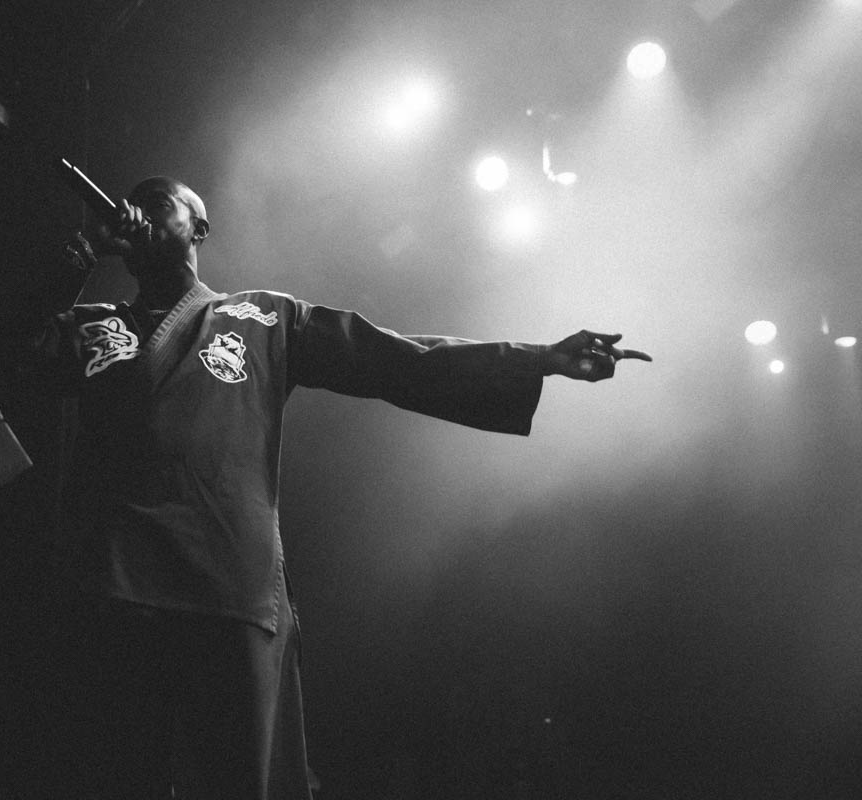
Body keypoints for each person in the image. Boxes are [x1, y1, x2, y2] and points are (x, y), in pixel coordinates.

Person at [36, 176, 651, 800]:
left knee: (235, 780)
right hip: (112, 576)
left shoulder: (265, 317)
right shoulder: (91, 325)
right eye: (133, 203)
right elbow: (9, 348)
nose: (138, 212)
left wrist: (536, 358)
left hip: (224, 580)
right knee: (107, 772)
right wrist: (83, 251)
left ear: (199, 228)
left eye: (159, 203)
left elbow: (396, 359)